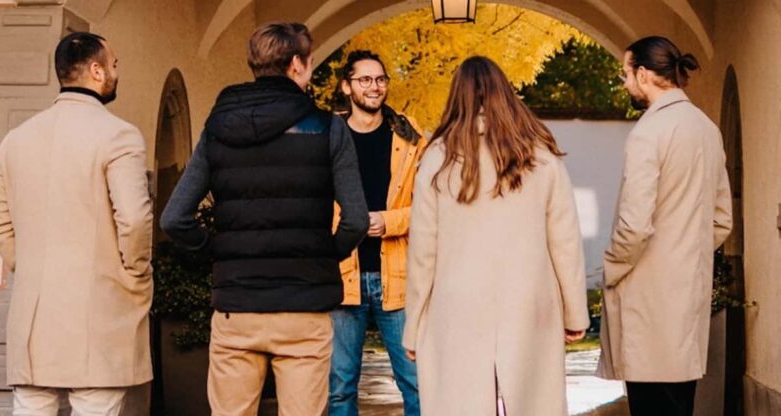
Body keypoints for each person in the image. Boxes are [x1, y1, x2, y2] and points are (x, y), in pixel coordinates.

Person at [159, 22, 369, 416]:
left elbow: (174, 218)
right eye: (308, 62)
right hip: (304, 310)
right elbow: (356, 220)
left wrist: (217, 249)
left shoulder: (218, 128)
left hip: (236, 307)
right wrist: (323, 257)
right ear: (296, 65)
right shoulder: (327, 128)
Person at [402, 56, 589, 416]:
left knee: (460, 404)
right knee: (535, 405)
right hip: (529, 299)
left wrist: (414, 325)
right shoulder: (540, 156)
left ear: (457, 97)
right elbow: (564, 241)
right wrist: (574, 312)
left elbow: (423, 252)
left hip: (457, 304)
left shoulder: (437, 162)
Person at [0, 32, 153, 415]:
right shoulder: (119, 135)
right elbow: (135, 219)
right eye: (113, 65)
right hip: (102, 312)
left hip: (33, 318)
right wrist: (135, 273)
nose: (115, 72)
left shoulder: (16, 139)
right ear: (95, 70)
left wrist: (29, 269)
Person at [596, 36, 733, 416]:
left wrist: (612, 267)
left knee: (652, 406)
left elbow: (634, 225)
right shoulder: (707, 129)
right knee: (678, 405)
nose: (624, 83)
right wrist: (686, 250)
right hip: (687, 294)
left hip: (646, 300)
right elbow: (722, 218)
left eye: (625, 74)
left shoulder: (648, 133)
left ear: (643, 74)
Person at [328, 50, 424, 416]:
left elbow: (431, 206)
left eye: (380, 79)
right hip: (343, 277)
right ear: (346, 86)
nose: (375, 86)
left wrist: (390, 222)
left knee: (415, 381)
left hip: (397, 276)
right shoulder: (328, 136)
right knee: (340, 386)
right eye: (365, 80)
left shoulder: (410, 136)